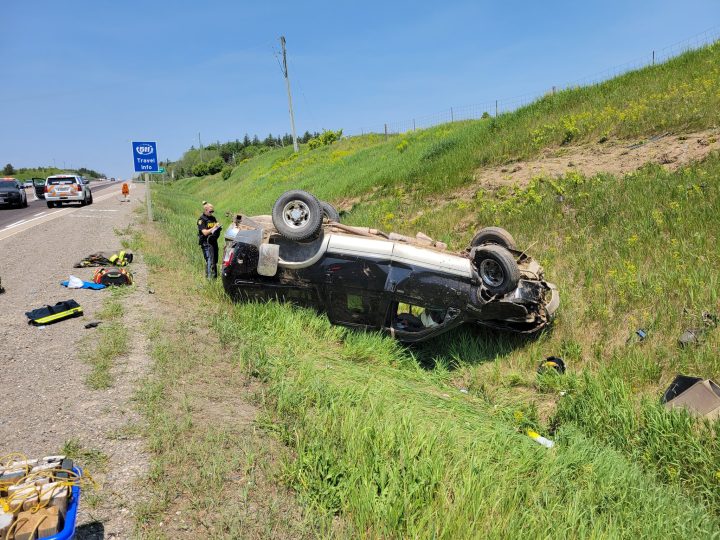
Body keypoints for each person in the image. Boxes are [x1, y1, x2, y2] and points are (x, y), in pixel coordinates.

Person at [197, 202, 222, 279]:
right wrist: (214, 228)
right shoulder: (201, 220)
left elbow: (215, 228)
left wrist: (218, 227)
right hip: (206, 243)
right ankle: (209, 279)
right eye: (210, 211)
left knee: (215, 260)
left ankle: (214, 277)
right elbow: (204, 232)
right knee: (209, 259)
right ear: (205, 210)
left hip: (213, 242)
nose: (212, 213)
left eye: (212, 211)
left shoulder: (213, 218)